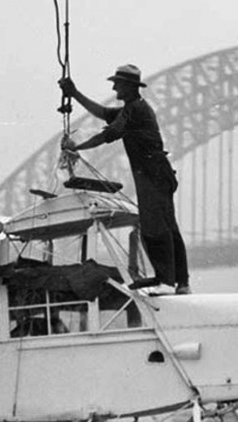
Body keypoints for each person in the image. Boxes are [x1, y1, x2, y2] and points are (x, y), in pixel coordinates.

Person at [60, 65, 190, 294]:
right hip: (156, 174)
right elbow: (102, 112)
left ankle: (167, 282)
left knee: (155, 228)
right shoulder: (133, 108)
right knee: (167, 227)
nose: (113, 87)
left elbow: (108, 134)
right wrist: (75, 93)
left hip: (152, 175)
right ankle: (180, 282)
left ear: (128, 87)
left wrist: (76, 147)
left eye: (117, 83)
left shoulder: (135, 111)